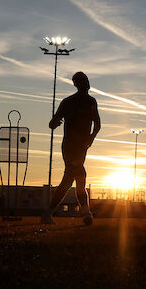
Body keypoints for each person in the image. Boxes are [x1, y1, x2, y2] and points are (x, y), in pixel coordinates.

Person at [42, 72, 101, 224]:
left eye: (86, 80)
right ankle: (87, 214)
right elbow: (52, 123)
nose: (86, 83)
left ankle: (48, 213)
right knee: (79, 175)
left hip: (81, 147)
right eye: (82, 81)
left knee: (69, 179)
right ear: (76, 84)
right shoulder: (68, 102)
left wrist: (90, 138)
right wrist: (56, 122)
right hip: (69, 146)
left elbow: (97, 124)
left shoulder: (91, 101)